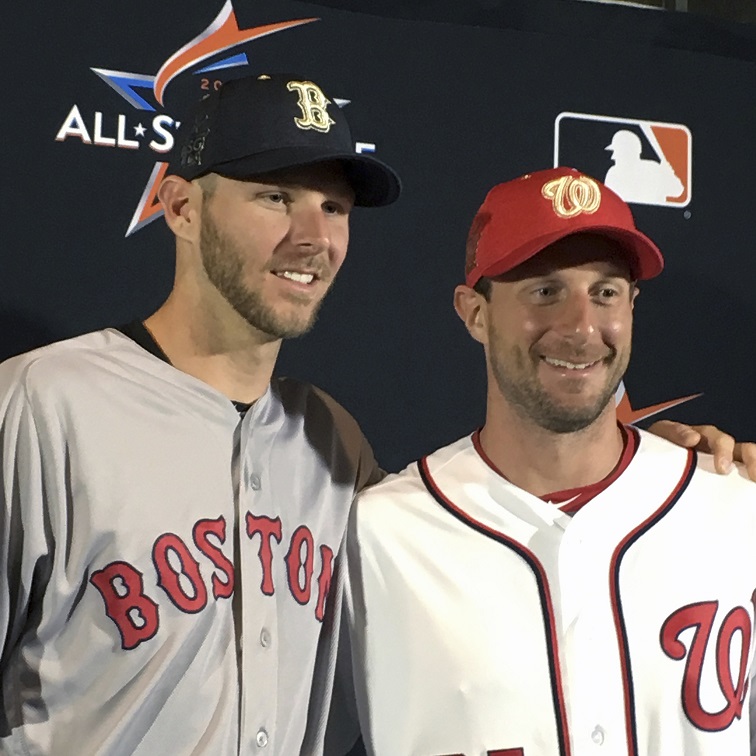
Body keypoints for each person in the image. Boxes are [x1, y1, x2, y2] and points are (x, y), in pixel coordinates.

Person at [0, 77, 747, 755]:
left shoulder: (328, 444)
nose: (313, 236)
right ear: (182, 207)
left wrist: (670, 467)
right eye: (274, 197)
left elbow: (491, 534)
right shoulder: (43, 405)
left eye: (333, 207)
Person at [344, 167, 756, 756]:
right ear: (474, 313)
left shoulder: (735, 506)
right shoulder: (380, 535)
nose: (581, 327)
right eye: (544, 291)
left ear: (632, 306)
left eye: (606, 292)